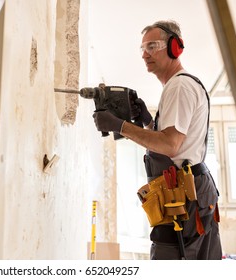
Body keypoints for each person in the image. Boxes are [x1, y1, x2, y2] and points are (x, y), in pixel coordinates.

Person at [92, 20, 222, 260]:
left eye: (152, 46)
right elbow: (174, 142)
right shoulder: (176, 86)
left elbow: (170, 145)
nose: (145, 54)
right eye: (142, 48)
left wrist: (119, 125)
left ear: (175, 47)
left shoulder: (180, 86)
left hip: (184, 195)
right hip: (185, 191)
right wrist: (148, 121)